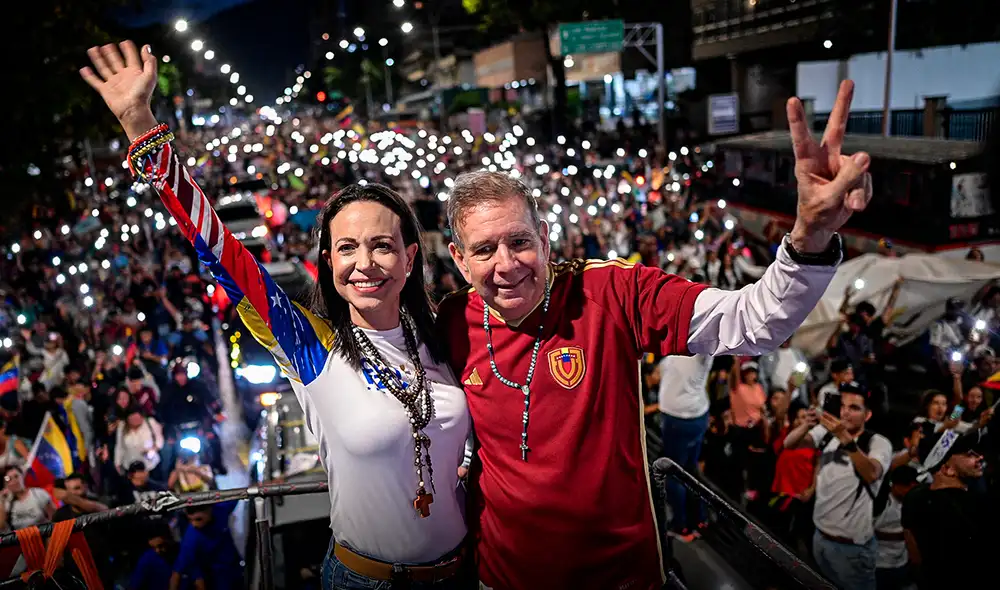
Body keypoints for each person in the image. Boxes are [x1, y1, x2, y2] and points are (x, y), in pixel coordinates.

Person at [437, 80, 873, 588]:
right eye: (485, 250)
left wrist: (811, 235)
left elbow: (750, 323)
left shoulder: (612, 290)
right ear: (459, 260)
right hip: (504, 577)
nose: (507, 264)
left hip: (622, 577)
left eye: (519, 241)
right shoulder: (449, 321)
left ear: (545, 238)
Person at [81, 42, 471, 588]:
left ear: (410, 257)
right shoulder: (312, 348)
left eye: (382, 246)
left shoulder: (452, 331)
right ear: (328, 262)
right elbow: (222, 252)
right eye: (347, 248)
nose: (365, 263)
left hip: (465, 572)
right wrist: (141, 124)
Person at [782, 382, 892, 590]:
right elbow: (789, 444)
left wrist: (845, 437)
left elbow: (871, 474)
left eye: (854, 408)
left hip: (851, 549)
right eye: (843, 406)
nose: (846, 412)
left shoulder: (877, 442)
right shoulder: (825, 434)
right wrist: (807, 424)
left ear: (867, 415)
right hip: (819, 537)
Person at [902, 430, 992, 589]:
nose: (980, 457)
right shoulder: (976, 505)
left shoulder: (913, 498)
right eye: (969, 454)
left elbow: (914, 555)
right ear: (946, 468)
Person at [656, 353, 713, 541]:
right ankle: (699, 519)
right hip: (695, 413)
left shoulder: (700, 347)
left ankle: (681, 526)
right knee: (690, 470)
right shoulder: (685, 351)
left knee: (674, 473)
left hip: (680, 419)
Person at [172, 502, 243, 590]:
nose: (194, 524)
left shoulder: (220, 510)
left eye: (198, 519)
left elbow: (236, 497)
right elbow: (177, 571)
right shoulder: (191, 538)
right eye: (190, 520)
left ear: (209, 510)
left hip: (235, 566)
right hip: (216, 576)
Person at [0, 466, 56, 531]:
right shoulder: (7, 503)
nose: (14, 481)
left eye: (16, 476)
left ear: (22, 476)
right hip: (20, 539)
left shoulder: (39, 494)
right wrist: (2, 501)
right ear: (6, 484)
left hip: (44, 536)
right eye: (9, 479)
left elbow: (54, 518)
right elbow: (1, 527)